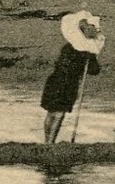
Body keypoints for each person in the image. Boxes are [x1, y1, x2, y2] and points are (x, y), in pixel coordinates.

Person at [41, 10, 104, 143]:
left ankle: (47, 142)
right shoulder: (87, 52)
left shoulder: (69, 47)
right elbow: (94, 70)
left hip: (55, 80)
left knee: (52, 113)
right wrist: (91, 59)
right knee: (59, 114)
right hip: (67, 84)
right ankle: (50, 143)